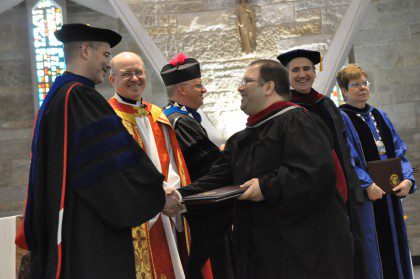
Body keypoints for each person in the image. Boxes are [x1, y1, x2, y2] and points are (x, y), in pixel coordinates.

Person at [166, 59, 354, 278]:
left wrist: (265, 186)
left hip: (304, 251)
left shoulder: (298, 121)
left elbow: (313, 173)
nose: (239, 87)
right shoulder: (242, 138)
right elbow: (217, 178)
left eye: (247, 81)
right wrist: (178, 196)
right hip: (263, 252)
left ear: (269, 87)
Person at [15, 23, 174, 278]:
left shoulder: (58, 96)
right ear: (86, 50)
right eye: (106, 54)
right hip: (87, 229)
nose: (108, 63)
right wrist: (157, 195)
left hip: (69, 222)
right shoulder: (79, 97)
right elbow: (110, 169)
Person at [108, 51, 211, 279]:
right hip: (138, 216)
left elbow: (174, 163)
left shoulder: (156, 114)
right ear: (112, 79)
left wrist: (173, 195)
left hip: (170, 209)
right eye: (126, 74)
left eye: (139, 72)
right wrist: (156, 198)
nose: (135, 78)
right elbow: (118, 174)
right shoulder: (107, 119)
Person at [277, 49, 367, 279]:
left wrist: (353, 185)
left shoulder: (327, 104)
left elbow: (344, 149)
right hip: (310, 197)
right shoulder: (283, 110)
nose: (302, 74)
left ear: (315, 73)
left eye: (307, 68)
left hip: (343, 190)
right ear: (286, 75)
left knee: (349, 250)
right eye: (295, 70)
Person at [337, 64, 416, 279]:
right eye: (355, 84)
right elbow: (347, 159)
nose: (362, 88)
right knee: (374, 250)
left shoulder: (380, 115)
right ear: (344, 90)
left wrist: (408, 179)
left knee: (397, 247)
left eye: (365, 83)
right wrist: (367, 184)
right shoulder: (342, 119)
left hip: (391, 197)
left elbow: (399, 152)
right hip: (368, 201)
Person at [161, 53, 234, 279]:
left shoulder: (175, 115)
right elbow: (207, 168)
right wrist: (229, 154)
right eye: (198, 85)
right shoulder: (180, 121)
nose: (204, 90)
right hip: (200, 212)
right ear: (182, 90)